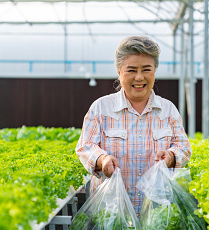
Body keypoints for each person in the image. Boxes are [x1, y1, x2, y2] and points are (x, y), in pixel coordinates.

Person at [75, 35, 192, 215]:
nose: (139, 77)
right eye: (131, 70)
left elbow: (183, 147)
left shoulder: (168, 110)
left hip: (156, 215)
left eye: (146, 69)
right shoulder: (101, 108)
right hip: (111, 215)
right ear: (119, 71)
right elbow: (85, 147)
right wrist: (102, 159)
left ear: (154, 71)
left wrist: (171, 156)